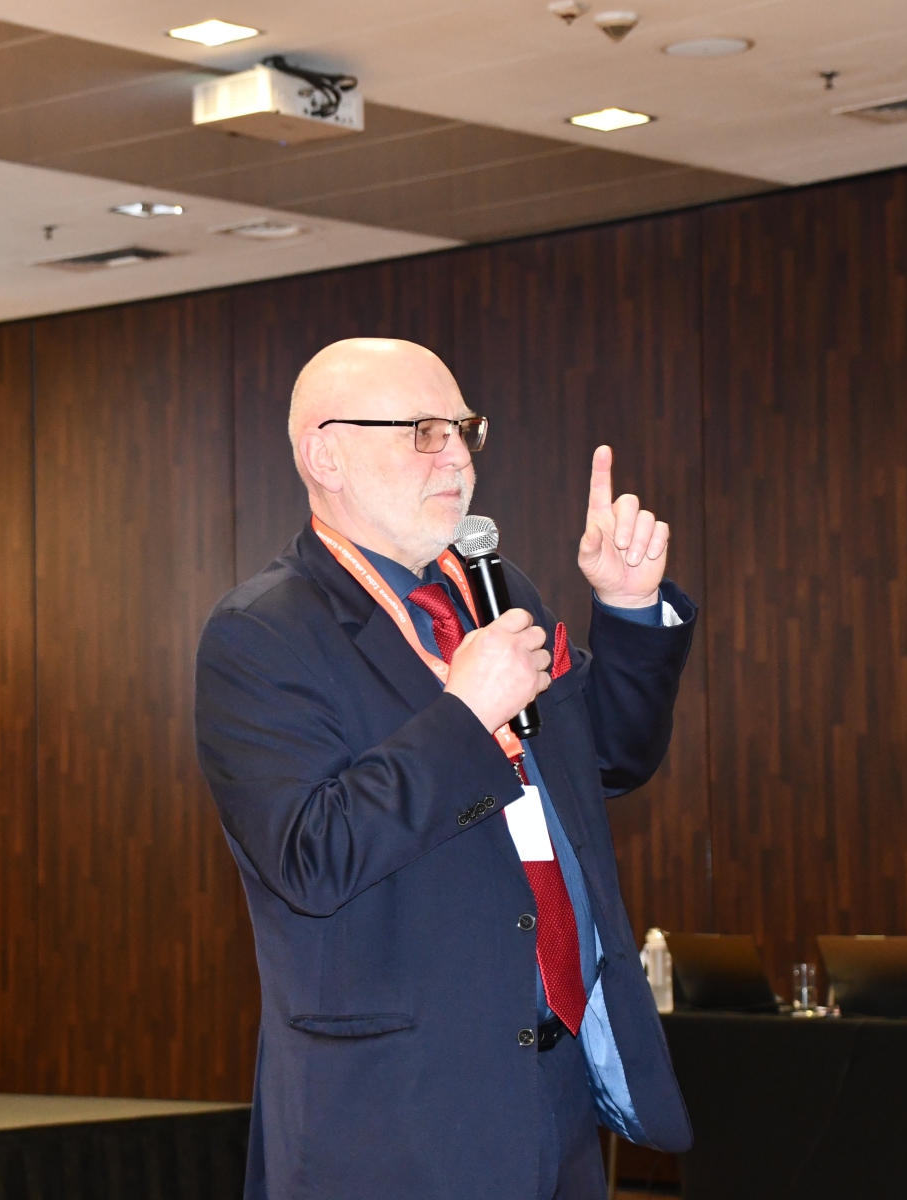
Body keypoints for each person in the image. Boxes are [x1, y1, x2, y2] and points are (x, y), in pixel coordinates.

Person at [194, 338, 696, 1200]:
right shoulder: (262, 632)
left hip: (553, 1092)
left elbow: (607, 762)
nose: (457, 456)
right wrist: (466, 716)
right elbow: (312, 857)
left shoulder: (498, 593)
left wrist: (627, 607)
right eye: (424, 431)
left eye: (465, 429)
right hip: (394, 1123)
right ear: (325, 455)